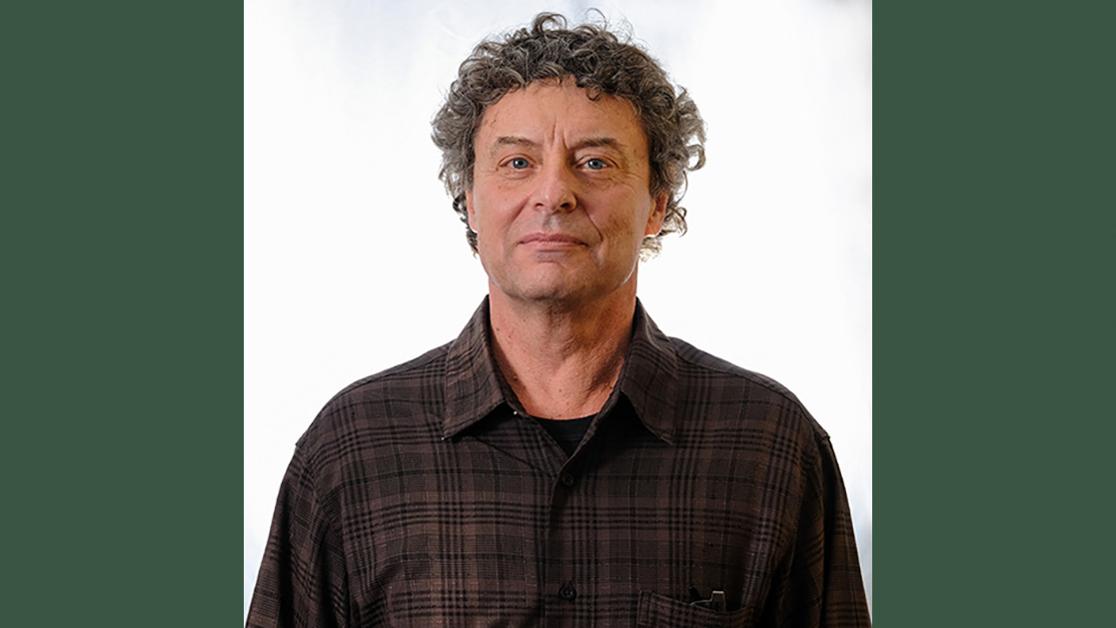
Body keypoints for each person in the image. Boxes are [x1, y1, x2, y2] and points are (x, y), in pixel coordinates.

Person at [247, 12, 869, 627]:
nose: (553, 194)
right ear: (468, 199)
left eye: (595, 162)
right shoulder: (351, 450)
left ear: (657, 203)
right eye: (517, 163)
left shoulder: (771, 445)